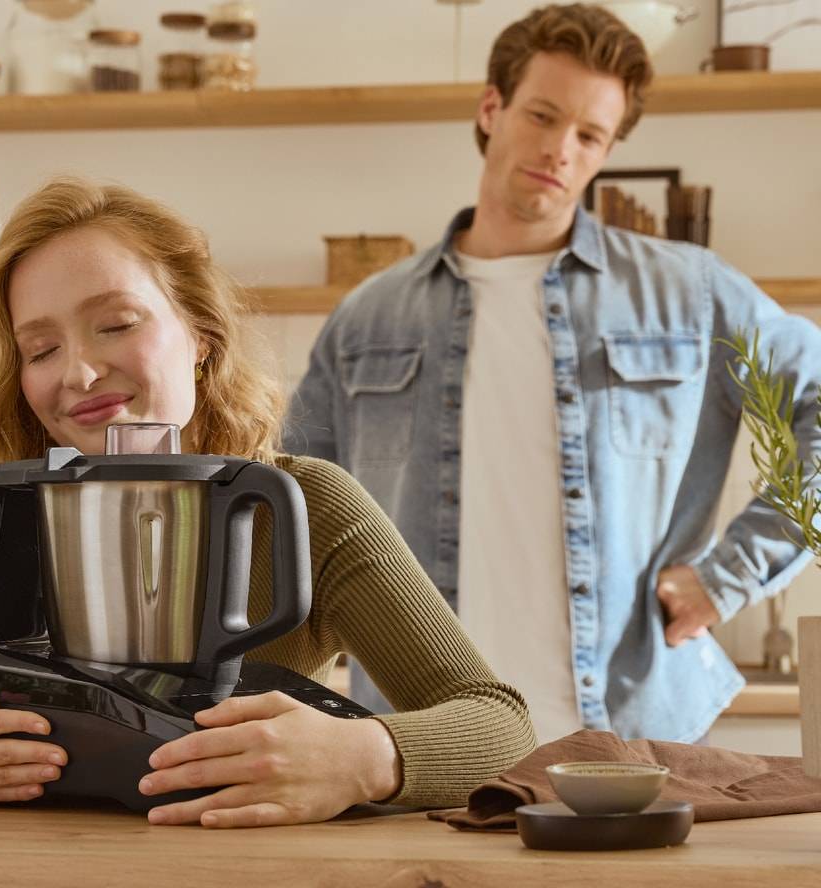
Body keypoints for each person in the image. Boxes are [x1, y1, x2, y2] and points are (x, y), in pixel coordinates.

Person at [0, 177, 536, 828]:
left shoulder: (309, 504)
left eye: (115, 324)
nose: (75, 372)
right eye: (41, 348)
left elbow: (499, 725)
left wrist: (364, 757)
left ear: (200, 333)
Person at [284, 3, 821, 745]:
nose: (560, 148)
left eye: (590, 134)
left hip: (631, 741)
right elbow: (287, 512)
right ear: (491, 107)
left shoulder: (690, 296)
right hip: (424, 744)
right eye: (542, 115)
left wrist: (728, 576)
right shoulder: (371, 317)